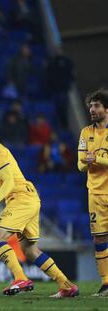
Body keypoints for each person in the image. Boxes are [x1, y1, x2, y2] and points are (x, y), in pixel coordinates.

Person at [0, 115, 78, 298]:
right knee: (30, 250)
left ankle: (20, 277)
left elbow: (8, 181)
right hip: (28, 198)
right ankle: (66, 285)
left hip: (21, 199)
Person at [78, 89, 108, 296]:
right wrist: (87, 162)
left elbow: (94, 160)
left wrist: (96, 159)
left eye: (96, 106)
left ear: (107, 109)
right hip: (96, 194)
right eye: (91, 106)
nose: (92, 109)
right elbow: (80, 165)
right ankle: (106, 283)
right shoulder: (85, 133)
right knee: (99, 238)